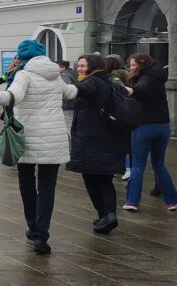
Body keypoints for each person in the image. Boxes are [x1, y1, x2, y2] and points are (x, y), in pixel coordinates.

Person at [0, 40, 77, 255]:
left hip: (26, 137)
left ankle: (33, 227)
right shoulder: (55, 74)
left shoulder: (24, 74)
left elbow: (12, 97)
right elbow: (71, 93)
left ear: (23, 56)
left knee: (27, 182)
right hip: (54, 136)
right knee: (48, 186)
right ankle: (42, 235)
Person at [66, 54, 126, 234]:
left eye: (83, 66)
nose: (79, 68)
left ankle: (108, 215)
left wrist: (63, 87)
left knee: (95, 178)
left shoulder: (91, 82)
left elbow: (79, 90)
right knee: (101, 178)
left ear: (93, 66)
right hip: (105, 138)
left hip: (92, 139)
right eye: (79, 65)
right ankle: (105, 215)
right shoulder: (107, 81)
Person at [123, 53, 177, 212]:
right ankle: (172, 201)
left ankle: (132, 201)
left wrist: (129, 90)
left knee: (138, 165)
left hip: (144, 126)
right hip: (163, 126)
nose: (131, 68)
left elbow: (141, 88)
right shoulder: (159, 73)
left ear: (142, 63)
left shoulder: (145, 77)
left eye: (133, 65)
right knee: (159, 164)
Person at [57, 60, 78, 135]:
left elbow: (66, 90)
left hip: (68, 106)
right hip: (73, 105)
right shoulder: (72, 73)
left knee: (68, 128)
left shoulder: (64, 75)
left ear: (62, 67)